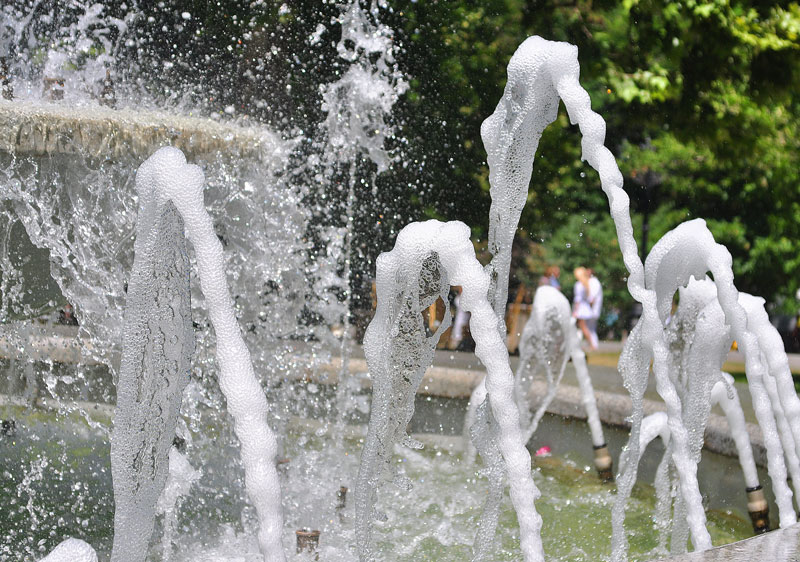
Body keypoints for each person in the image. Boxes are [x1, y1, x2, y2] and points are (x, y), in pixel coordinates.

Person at [572, 267, 602, 350]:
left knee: (583, 327)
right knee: (584, 327)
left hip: (581, 309)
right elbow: (589, 298)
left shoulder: (578, 284)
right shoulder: (586, 284)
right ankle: (591, 344)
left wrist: (575, 310)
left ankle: (592, 344)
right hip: (586, 308)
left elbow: (577, 299)